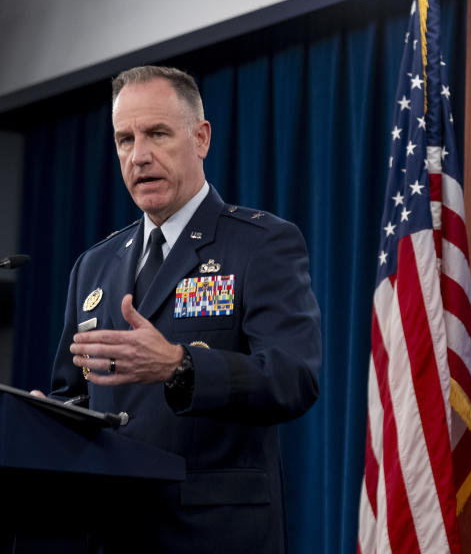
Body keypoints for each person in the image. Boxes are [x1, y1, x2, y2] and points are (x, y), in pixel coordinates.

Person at [44, 65, 323, 553]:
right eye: (125, 139)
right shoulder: (93, 266)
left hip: (213, 534)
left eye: (157, 133)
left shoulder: (261, 244)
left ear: (201, 138)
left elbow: (292, 378)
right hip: (110, 534)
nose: (140, 156)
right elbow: (74, 395)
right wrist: (46, 416)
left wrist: (179, 366)